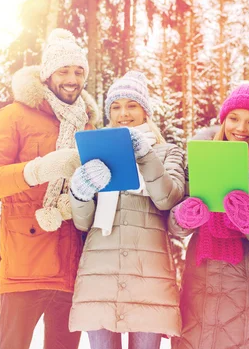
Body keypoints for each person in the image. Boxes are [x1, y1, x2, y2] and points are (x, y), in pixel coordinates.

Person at [0, 28, 99, 349]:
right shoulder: (15, 116)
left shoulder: (87, 125)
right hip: (26, 264)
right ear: (46, 74)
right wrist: (40, 169)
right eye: (63, 70)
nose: (72, 78)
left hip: (72, 265)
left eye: (79, 71)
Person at [67, 71, 185, 349]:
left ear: (146, 111)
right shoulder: (97, 152)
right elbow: (84, 223)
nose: (123, 114)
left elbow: (168, 199)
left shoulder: (168, 152)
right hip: (100, 272)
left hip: (149, 275)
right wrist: (80, 193)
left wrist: (145, 155)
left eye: (132, 105)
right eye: (116, 107)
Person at [168, 83, 249, 349]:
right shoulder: (198, 159)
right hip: (201, 283)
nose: (241, 128)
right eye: (234, 118)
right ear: (223, 119)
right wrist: (183, 217)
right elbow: (175, 227)